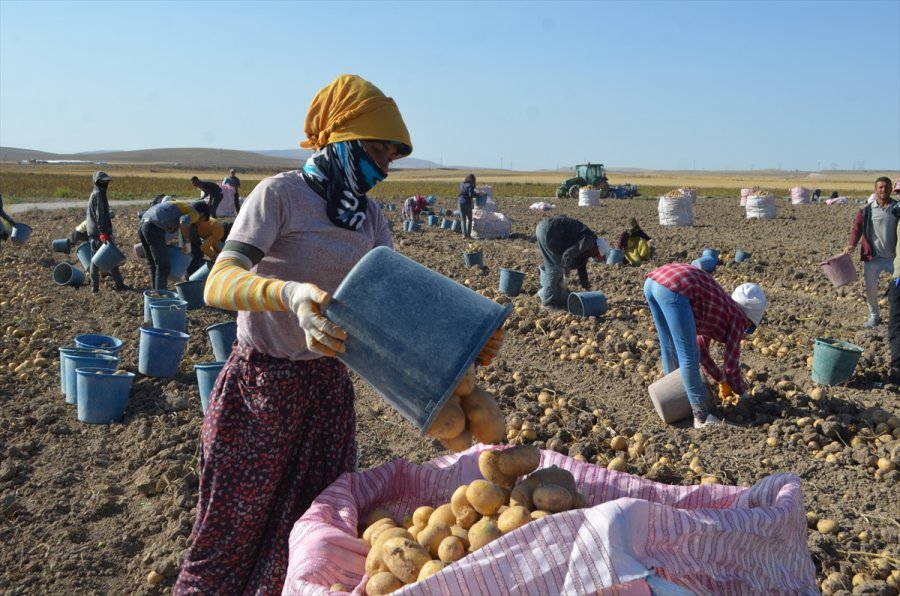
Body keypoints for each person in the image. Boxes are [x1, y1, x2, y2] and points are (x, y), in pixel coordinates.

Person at [173, 74, 425, 594]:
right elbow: (219, 282)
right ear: (341, 140)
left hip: (328, 393)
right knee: (230, 528)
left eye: (392, 157)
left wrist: (462, 340)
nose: (383, 167)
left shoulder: (370, 219)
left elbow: (393, 303)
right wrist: (289, 295)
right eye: (376, 150)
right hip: (261, 389)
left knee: (311, 532)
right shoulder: (280, 195)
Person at [644, 263, 768, 428]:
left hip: (654, 282)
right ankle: (702, 417)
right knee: (689, 356)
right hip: (675, 288)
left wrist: (721, 379)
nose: (745, 331)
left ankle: (675, 398)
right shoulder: (738, 319)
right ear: (749, 319)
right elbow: (731, 367)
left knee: (669, 346)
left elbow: (702, 349)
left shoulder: (720, 307)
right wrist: (743, 394)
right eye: (749, 327)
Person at [845, 177, 898, 328]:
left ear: (891, 189)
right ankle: (874, 317)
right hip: (873, 258)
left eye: (886, 187)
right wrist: (851, 244)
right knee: (871, 289)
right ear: (875, 190)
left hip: (895, 258)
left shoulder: (897, 208)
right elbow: (856, 229)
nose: (883, 190)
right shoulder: (866, 211)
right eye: (880, 187)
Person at [535, 215, 606, 308]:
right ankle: (548, 303)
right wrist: (566, 277)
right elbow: (567, 255)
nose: (594, 256)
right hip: (549, 231)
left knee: (554, 266)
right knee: (555, 268)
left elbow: (582, 265)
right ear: (597, 248)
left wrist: (587, 288)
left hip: (547, 229)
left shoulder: (589, 246)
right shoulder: (589, 240)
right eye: (596, 254)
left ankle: (544, 293)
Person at [137, 199, 198, 289]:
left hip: (142, 225)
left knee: (153, 264)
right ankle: (161, 295)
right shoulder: (195, 213)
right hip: (154, 227)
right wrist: (187, 242)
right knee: (163, 267)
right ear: (202, 214)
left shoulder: (178, 205)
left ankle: (154, 293)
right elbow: (184, 221)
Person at [85, 171, 130, 293]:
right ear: (97, 182)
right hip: (99, 232)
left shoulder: (96, 193)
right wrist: (102, 232)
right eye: (103, 182)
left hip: (94, 231)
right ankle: (117, 285)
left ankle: (96, 287)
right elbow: (99, 215)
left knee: (98, 259)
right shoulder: (98, 194)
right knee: (107, 257)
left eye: (106, 182)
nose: (105, 184)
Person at [186, 200, 225, 276]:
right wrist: (216, 257)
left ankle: (191, 274)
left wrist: (218, 255)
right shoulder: (219, 231)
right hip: (192, 231)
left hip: (193, 231)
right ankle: (192, 276)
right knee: (194, 255)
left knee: (197, 254)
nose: (201, 221)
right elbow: (204, 247)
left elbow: (213, 245)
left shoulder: (217, 228)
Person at [457, 173, 481, 238]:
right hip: (467, 203)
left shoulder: (462, 183)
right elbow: (470, 195)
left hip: (460, 203)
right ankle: (469, 235)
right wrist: (478, 195)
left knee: (463, 220)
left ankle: (464, 235)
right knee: (470, 219)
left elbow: (464, 192)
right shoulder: (470, 185)